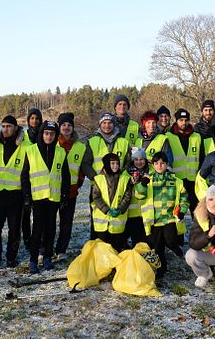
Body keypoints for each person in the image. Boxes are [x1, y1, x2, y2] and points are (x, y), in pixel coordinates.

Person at [21, 121, 69, 273]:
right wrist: (27, 196)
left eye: (52, 134)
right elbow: (24, 176)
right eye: (46, 133)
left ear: (56, 136)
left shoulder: (60, 152)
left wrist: (64, 196)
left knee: (51, 229)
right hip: (38, 197)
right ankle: (34, 260)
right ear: (42, 134)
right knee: (37, 229)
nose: (49, 136)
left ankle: (47, 257)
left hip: (53, 197)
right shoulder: (31, 150)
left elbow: (65, 176)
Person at [134, 152, 188, 279]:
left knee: (170, 239)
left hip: (170, 218)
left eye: (162, 163)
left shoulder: (175, 181)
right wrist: (142, 184)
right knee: (158, 246)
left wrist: (182, 210)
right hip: (155, 219)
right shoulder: (148, 179)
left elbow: (184, 198)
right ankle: (161, 269)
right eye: (157, 163)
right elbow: (139, 196)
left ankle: (175, 247)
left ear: (167, 164)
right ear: (152, 165)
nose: (160, 166)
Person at [0, 115, 27, 269]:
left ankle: (11, 258)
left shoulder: (24, 146)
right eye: (3, 126)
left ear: (15, 128)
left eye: (9, 126)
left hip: (16, 195)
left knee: (14, 230)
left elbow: (28, 170)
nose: (5, 129)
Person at [54, 112, 86, 259]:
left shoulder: (80, 146)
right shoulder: (52, 143)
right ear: (59, 127)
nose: (66, 128)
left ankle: (61, 250)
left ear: (73, 128)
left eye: (69, 125)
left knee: (66, 223)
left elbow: (82, 168)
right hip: (53, 190)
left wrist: (79, 183)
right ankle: (45, 249)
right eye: (64, 125)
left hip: (71, 191)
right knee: (48, 222)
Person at [91, 152, 134, 252]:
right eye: (112, 163)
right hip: (102, 221)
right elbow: (96, 197)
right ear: (106, 164)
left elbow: (127, 196)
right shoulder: (98, 179)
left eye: (117, 163)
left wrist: (120, 209)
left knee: (116, 246)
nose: (115, 166)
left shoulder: (124, 179)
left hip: (117, 222)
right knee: (103, 248)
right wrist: (106, 210)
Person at [166, 108, 204, 216]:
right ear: (176, 120)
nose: (184, 123)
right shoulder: (168, 136)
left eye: (186, 120)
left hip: (193, 180)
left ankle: (198, 232)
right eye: (181, 120)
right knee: (177, 212)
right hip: (177, 180)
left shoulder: (197, 136)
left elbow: (201, 157)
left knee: (197, 213)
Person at [21, 108, 43, 252]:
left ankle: (39, 239)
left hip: (39, 180)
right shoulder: (22, 136)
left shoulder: (44, 135)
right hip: (24, 179)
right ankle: (27, 239)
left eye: (37, 118)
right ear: (28, 120)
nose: (34, 121)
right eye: (32, 118)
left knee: (39, 214)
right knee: (25, 214)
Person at [125, 147, 150, 246]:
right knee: (136, 239)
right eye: (136, 159)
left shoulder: (151, 172)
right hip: (133, 212)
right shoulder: (127, 173)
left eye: (141, 159)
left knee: (147, 239)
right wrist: (130, 183)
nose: (139, 162)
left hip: (147, 211)